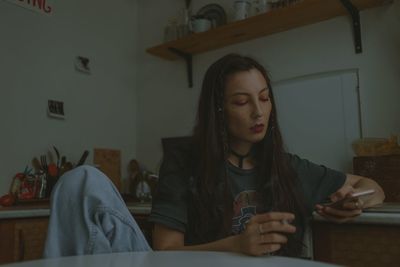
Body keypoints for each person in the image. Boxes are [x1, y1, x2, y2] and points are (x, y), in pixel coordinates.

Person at [148, 53, 385, 257]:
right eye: (242, 102)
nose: (258, 112)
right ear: (217, 110)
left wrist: (355, 200)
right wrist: (236, 245)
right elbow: (165, 250)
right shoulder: (183, 162)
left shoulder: (287, 167)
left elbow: (374, 187)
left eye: (264, 98)